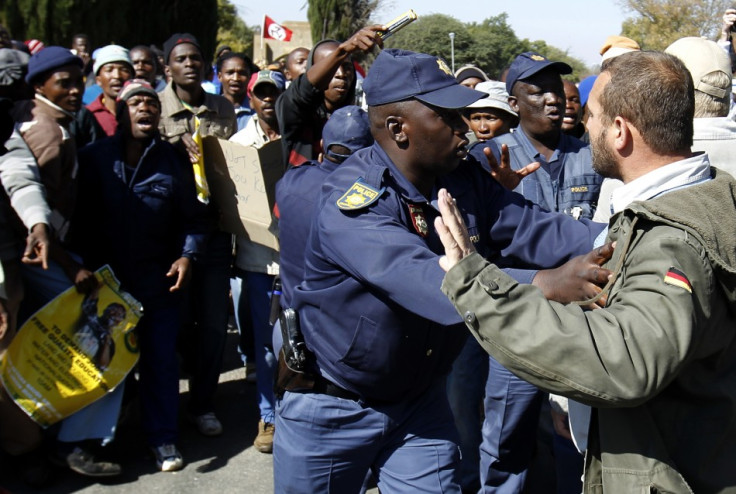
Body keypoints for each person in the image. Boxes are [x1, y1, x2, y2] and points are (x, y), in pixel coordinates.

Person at [273, 48, 609, 493]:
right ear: (399, 128)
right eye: (448, 117)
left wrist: (622, 236)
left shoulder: (461, 176)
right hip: (334, 407)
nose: (464, 128)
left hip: (419, 404)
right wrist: (546, 283)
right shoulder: (353, 200)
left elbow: (533, 227)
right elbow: (436, 285)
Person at [437, 49, 736, 494]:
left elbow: (625, 359)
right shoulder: (706, 192)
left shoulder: (670, 238)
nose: (583, 124)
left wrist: (474, 284)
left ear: (619, 131)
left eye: (593, 116)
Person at [469, 51, 602, 494]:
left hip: (581, 319)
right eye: (537, 90)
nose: (553, 100)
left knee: (576, 434)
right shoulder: (488, 157)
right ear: (513, 102)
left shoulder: (591, 154)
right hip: (518, 318)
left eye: (556, 90)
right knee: (507, 433)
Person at [74, 78, 208, 472]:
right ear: (121, 113)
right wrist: (79, 266)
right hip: (108, 282)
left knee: (161, 361)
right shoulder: (95, 158)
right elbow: (81, 222)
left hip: (159, 281)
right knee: (100, 360)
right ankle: (93, 442)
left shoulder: (174, 160)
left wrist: (187, 256)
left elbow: (195, 219)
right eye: (136, 103)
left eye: (152, 102)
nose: (146, 108)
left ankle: (162, 438)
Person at [157, 32, 236, 438]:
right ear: (167, 68)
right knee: (171, 326)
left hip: (216, 232)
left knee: (211, 325)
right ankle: (166, 409)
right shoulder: (156, 109)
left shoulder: (223, 107)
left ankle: (203, 404)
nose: (189, 64)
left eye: (196, 58)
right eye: (181, 59)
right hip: (171, 239)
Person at [228, 70, 285, 452]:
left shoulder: (301, 138)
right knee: (265, 346)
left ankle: (297, 414)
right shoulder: (236, 143)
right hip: (258, 259)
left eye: (274, 94)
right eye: (260, 94)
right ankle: (268, 417)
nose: (267, 100)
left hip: (297, 257)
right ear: (251, 100)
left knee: (297, 341)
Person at [276, 26, 382, 168]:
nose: (341, 74)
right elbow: (302, 91)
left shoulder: (361, 122)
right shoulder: (295, 114)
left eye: (347, 67)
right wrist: (343, 51)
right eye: (332, 67)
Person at [85, 44, 133, 136]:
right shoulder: (89, 115)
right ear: (98, 80)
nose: (117, 76)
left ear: (132, 77)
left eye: (123, 70)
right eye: (109, 70)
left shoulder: (141, 112)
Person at [217, 52, 254, 131]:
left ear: (249, 77)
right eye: (230, 73)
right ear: (220, 76)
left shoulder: (257, 111)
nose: (236, 78)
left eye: (242, 73)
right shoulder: (210, 110)